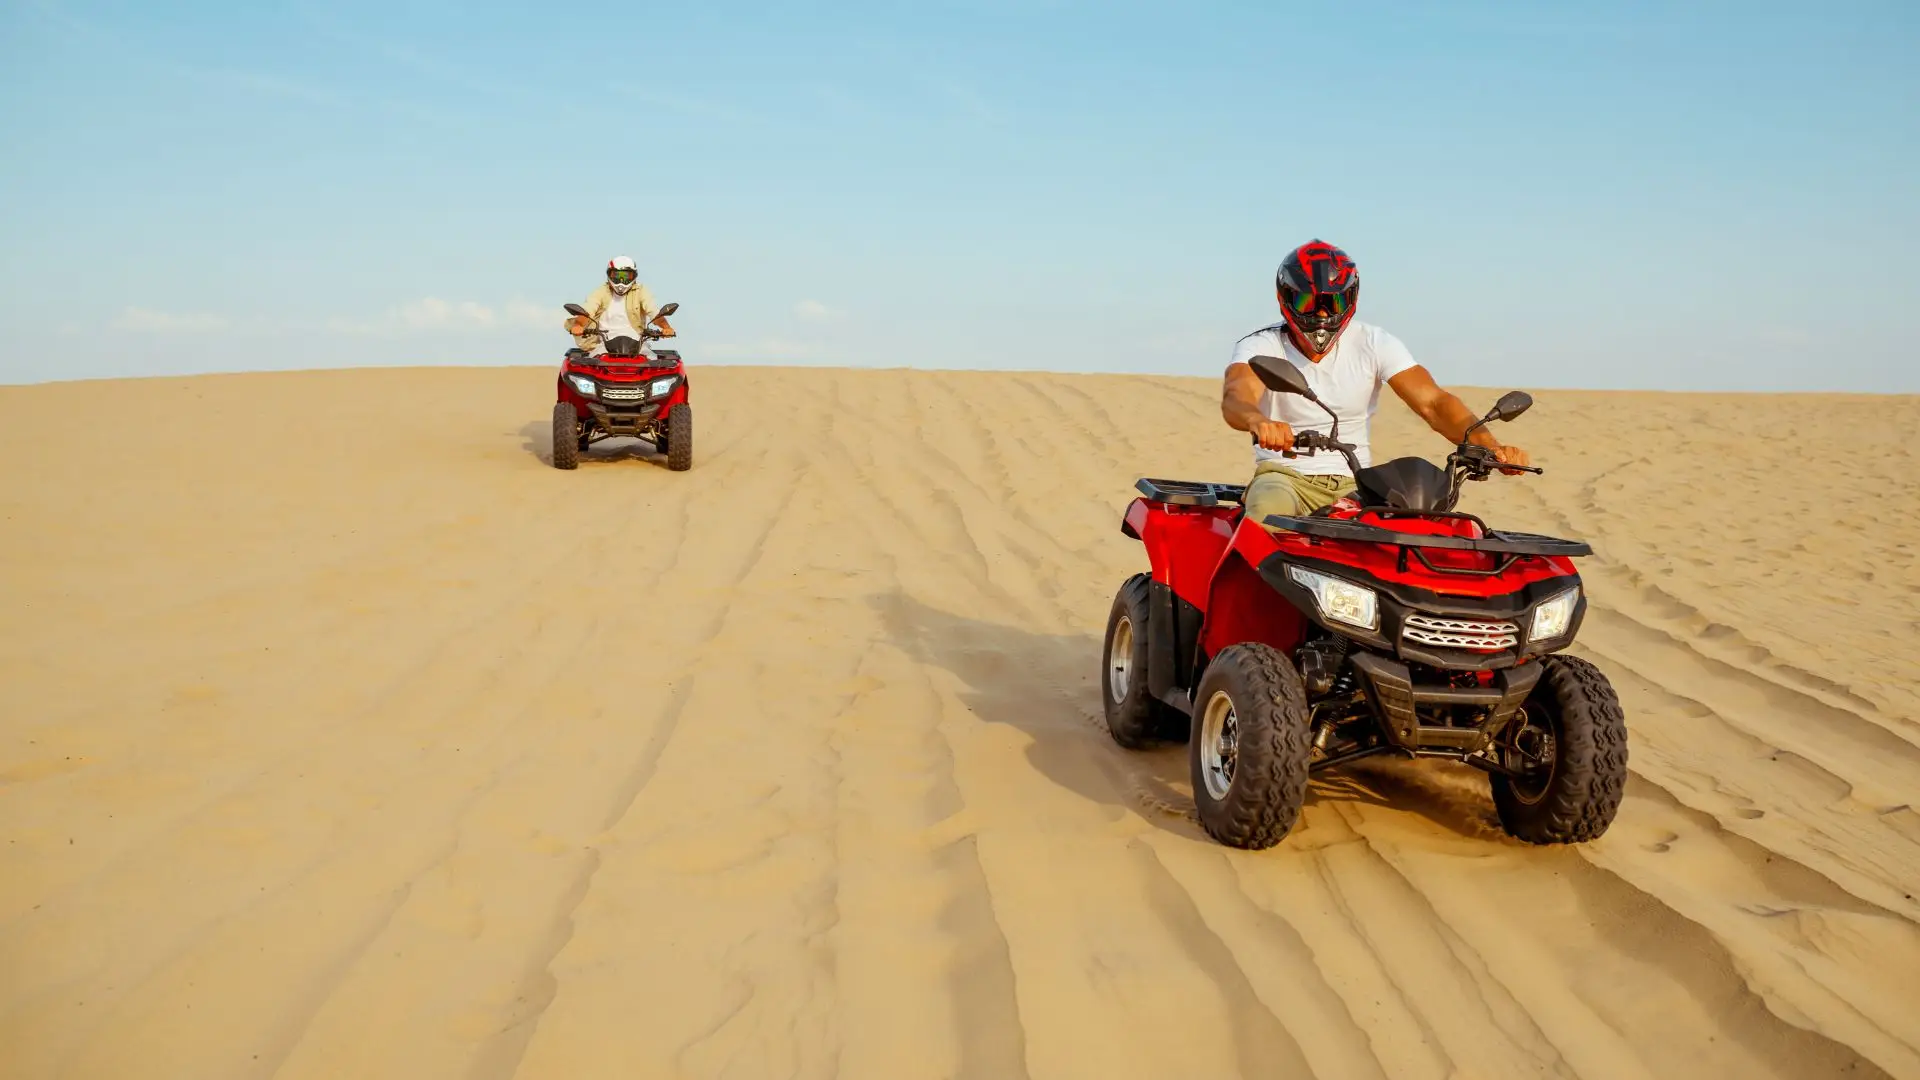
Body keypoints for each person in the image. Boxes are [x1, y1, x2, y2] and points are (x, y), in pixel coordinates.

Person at [1220, 239, 1532, 526]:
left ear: (1351, 298)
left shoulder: (1374, 342)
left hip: (1357, 482)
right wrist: (1258, 421)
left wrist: (1493, 449)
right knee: (1263, 519)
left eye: (1334, 302)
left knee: (1420, 534)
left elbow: (1434, 403)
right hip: (1284, 476)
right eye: (1306, 301)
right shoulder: (1260, 345)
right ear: (1284, 298)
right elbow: (1238, 396)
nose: (1322, 314)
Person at [566, 255, 662, 357]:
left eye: (626, 276)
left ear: (634, 276)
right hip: (605, 345)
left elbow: (653, 312)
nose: (621, 280)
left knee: (654, 362)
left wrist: (666, 327)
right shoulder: (601, 292)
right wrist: (578, 325)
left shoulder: (641, 291)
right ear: (609, 275)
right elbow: (587, 311)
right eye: (616, 275)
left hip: (638, 344)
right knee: (591, 365)